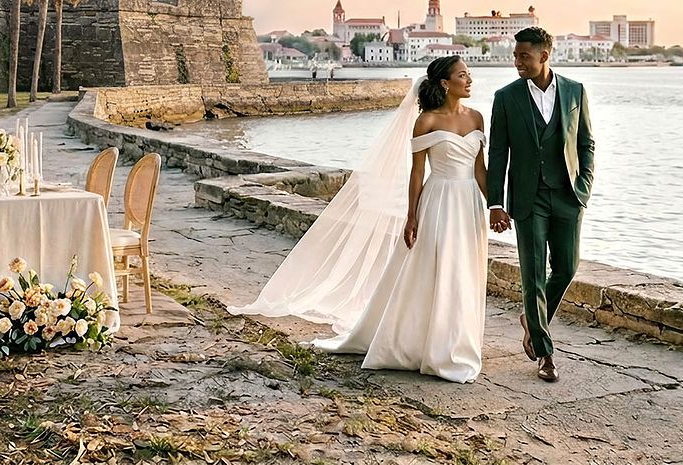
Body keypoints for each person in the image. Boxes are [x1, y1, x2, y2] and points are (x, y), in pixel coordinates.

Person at [230, 56, 488, 383]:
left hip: (469, 205)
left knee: (465, 272)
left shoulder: (477, 118)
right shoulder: (427, 121)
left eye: (469, 75)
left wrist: (494, 206)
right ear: (444, 83)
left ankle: (459, 341)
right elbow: (417, 174)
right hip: (438, 201)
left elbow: (480, 169)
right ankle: (428, 345)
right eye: (463, 75)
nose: (470, 80)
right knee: (435, 270)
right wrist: (411, 216)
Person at [487, 27, 594, 383]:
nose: (517, 62)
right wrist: (496, 203)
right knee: (532, 275)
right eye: (516, 56)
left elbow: (586, 144)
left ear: (544, 56)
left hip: (567, 196)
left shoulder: (575, 91)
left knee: (566, 268)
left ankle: (532, 319)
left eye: (524, 57)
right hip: (528, 199)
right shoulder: (506, 97)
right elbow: (498, 152)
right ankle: (545, 353)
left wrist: (584, 187)